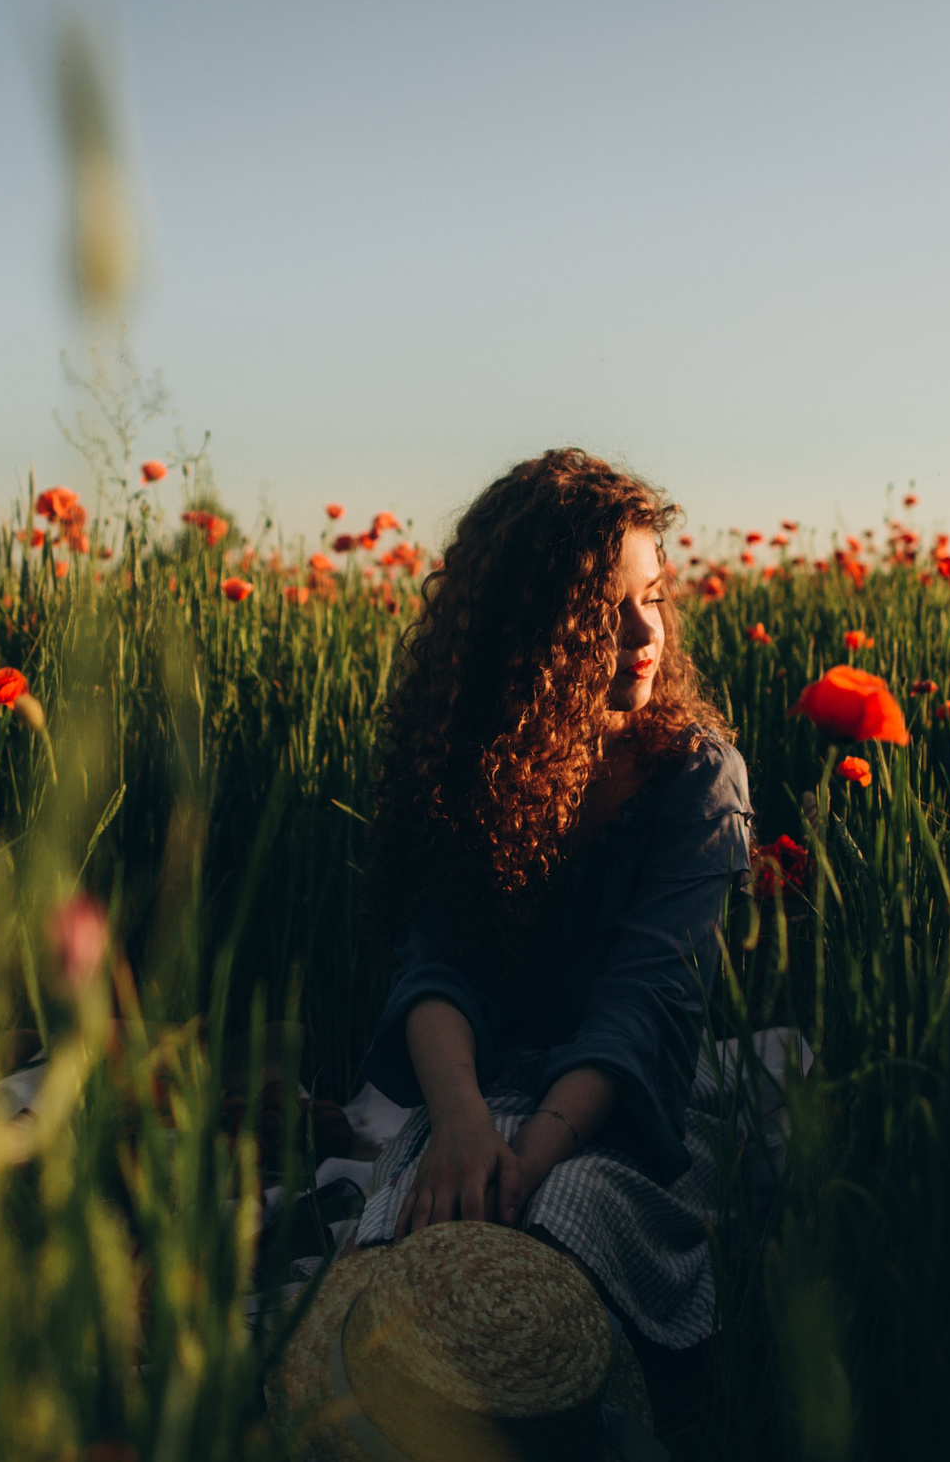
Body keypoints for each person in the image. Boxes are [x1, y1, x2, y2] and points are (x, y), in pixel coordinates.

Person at [351, 447, 751, 1443]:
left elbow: (645, 999)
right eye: (602, 608)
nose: (642, 632)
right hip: (482, 1089)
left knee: (554, 1226)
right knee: (428, 1254)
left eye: (653, 596)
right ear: (529, 628)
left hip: (622, 1104)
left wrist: (527, 1153)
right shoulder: (481, 757)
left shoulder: (697, 775)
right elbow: (435, 958)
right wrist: (458, 1124)